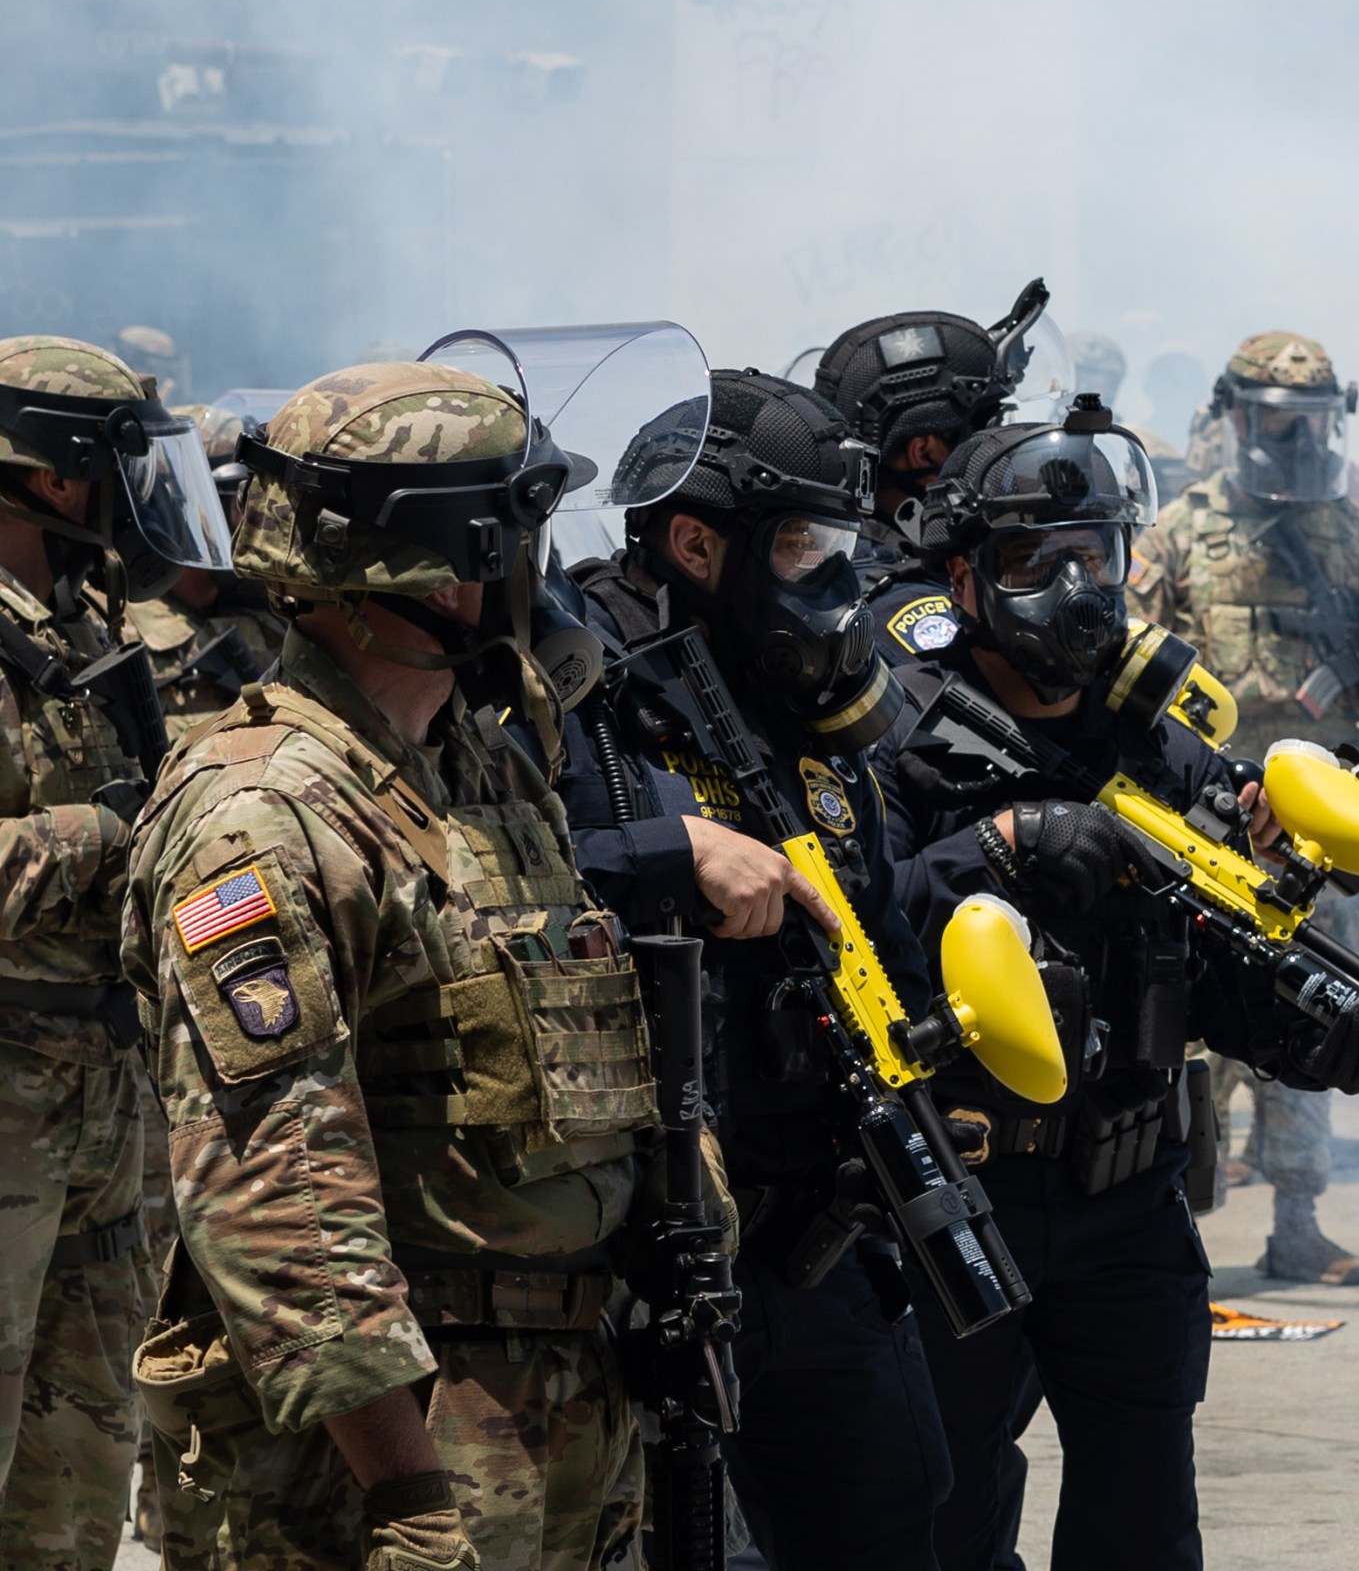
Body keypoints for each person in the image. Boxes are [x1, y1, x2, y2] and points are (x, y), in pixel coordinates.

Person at [123, 360, 680, 1571]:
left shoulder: (478, 771)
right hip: (379, 1453)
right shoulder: (267, 811)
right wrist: (413, 1501)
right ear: (444, 566)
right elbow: (276, 1191)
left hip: (549, 1404)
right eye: (518, 538)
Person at [872, 408, 1359, 1569]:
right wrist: (999, 845)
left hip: (1127, 1197)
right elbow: (848, 918)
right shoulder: (896, 731)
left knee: (1143, 1511)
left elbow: (1215, 960)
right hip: (966, 1194)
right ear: (963, 581)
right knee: (946, 1510)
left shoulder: (1156, 741)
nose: (1074, 588)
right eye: (1033, 563)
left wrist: (1327, 1034)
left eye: (1095, 556)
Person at [560, 369, 958, 1570]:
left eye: (842, 545)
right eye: (802, 547)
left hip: (817, 1220)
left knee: (900, 1505)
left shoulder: (795, 688)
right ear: (694, 540)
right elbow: (482, 882)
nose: (835, 584)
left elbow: (877, 892)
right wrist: (664, 855)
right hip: (652, 1232)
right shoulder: (572, 682)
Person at [1131, 330, 1359, 1286]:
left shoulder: (1356, 537)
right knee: (1181, 1028)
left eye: (1308, 422)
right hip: (1203, 823)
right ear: (1234, 419)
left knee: (1321, 1014)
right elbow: (1127, 673)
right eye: (1274, 420)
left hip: (1323, 834)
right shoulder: (1177, 534)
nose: (1291, 439)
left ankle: (1299, 1222)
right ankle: (1172, 1232)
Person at [0, 334, 201, 1570]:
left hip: (110, 1086)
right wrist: (108, 829)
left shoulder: (90, 623)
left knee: (85, 1453)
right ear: (59, 478)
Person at [815, 306, 1031, 665]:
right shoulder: (904, 601)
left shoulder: (859, 547)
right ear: (925, 452)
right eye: (987, 433)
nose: (1004, 454)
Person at [133, 405, 286, 740]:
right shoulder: (118, 636)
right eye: (234, 502)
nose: (248, 521)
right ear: (171, 511)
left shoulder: (276, 615)